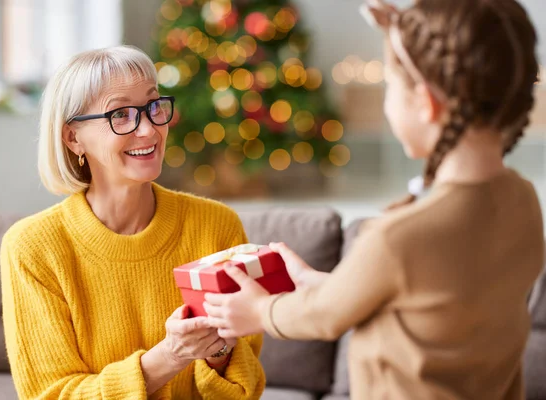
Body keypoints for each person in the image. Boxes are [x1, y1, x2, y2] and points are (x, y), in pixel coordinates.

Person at [203, 1, 544, 399]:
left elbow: (326, 316)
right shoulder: (522, 201)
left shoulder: (399, 239)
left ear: (426, 103)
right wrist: (327, 284)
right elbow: (433, 303)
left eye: (390, 86)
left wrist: (260, 311)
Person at [0, 45, 265, 400]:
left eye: (153, 106)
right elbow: (52, 394)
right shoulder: (33, 247)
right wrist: (170, 355)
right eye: (121, 114)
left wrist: (218, 351)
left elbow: (244, 390)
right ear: (72, 137)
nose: (149, 130)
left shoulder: (216, 225)